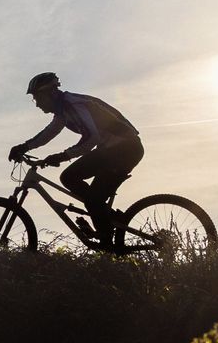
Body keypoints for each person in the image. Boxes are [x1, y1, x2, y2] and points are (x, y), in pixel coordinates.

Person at [8, 72, 144, 246]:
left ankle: (107, 243)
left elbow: (91, 138)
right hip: (112, 150)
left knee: (91, 197)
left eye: (37, 98)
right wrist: (24, 147)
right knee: (71, 180)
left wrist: (63, 156)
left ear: (49, 93)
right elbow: (49, 133)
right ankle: (106, 216)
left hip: (125, 149)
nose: (37, 104)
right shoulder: (63, 110)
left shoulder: (72, 104)